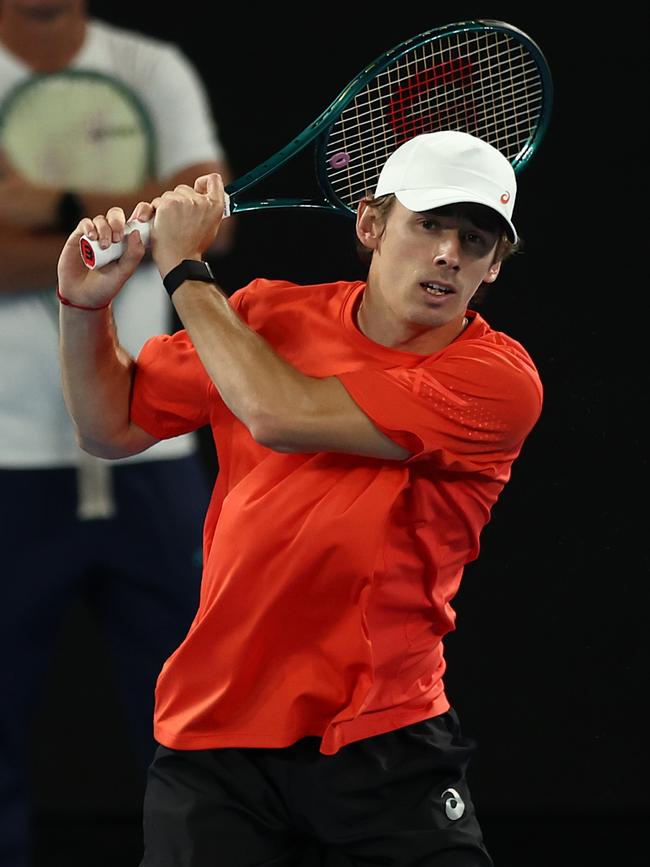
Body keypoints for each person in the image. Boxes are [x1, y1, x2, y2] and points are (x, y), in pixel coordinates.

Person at [57, 130, 543, 866]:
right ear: (372, 226)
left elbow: (278, 414)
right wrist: (84, 308)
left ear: (494, 267)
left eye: (475, 240)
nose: (449, 253)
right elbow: (110, 425)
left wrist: (183, 268)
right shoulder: (264, 319)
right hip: (216, 740)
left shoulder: (496, 381)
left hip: (385, 740)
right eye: (429, 224)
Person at [0, 2, 233, 865]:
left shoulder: (151, 70)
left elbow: (213, 223)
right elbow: (166, 231)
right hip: (8, 463)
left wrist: (46, 203)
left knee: (203, 725)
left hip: (153, 457)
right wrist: (122, 216)